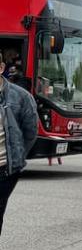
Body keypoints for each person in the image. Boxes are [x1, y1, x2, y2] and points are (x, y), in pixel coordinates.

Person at [0, 73, 38, 237]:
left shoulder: (21, 97)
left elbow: (30, 133)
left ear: (1, 67)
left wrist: (17, 156)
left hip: (4, 170)